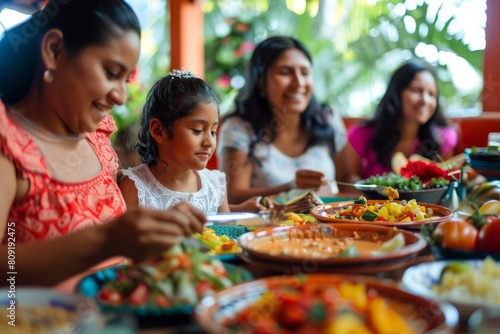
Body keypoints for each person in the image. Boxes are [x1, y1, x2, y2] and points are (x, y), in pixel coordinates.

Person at [0, 0, 206, 287]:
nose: (121, 96)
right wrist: (105, 240)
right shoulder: (8, 143)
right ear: (54, 51)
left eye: (126, 79)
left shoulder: (95, 137)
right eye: (111, 73)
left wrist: (160, 221)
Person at [217, 36, 351, 204]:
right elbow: (233, 196)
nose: (298, 83)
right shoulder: (240, 128)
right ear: (261, 82)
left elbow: (349, 176)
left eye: (305, 72)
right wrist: (291, 187)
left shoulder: (326, 118)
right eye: (285, 72)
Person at [119, 70, 266, 214]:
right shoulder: (135, 189)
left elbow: (225, 234)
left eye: (213, 132)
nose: (209, 142)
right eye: (197, 130)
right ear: (159, 131)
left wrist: (245, 209)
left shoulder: (214, 185)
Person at [344, 60, 459, 180]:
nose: (425, 100)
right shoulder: (361, 134)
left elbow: (444, 183)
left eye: (431, 94)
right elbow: (349, 178)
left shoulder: (443, 138)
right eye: (416, 90)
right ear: (396, 93)